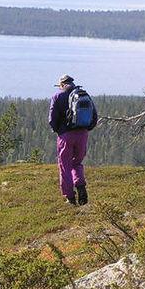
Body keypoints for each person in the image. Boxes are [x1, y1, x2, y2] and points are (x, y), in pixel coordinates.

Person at [48, 74, 97, 205]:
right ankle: (80, 186)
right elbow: (94, 115)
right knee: (77, 163)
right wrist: (86, 129)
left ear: (62, 85)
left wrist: (59, 131)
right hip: (82, 134)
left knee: (65, 166)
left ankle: (70, 197)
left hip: (65, 136)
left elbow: (52, 119)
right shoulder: (83, 94)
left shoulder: (57, 96)